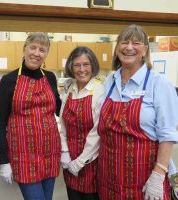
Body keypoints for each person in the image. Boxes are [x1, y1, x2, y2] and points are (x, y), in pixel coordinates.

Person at [97, 24, 178, 200]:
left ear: (145, 50)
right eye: (124, 42)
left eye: (136, 43)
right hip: (108, 174)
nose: (129, 47)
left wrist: (158, 174)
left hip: (144, 176)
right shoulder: (109, 81)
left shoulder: (160, 85)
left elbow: (168, 134)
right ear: (117, 47)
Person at [0, 32, 61, 200]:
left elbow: (59, 109)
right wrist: (4, 161)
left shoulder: (50, 77)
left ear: (46, 54)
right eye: (33, 47)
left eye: (42, 49)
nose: (36, 53)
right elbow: (1, 123)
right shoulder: (9, 80)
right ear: (24, 50)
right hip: (24, 157)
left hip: (50, 153)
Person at [59, 46, 104, 200]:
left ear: (93, 66)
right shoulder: (69, 90)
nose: (81, 69)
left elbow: (97, 132)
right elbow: (62, 125)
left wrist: (80, 162)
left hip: (92, 162)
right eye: (77, 65)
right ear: (71, 67)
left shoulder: (99, 91)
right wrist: (64, 152)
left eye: (86, 64)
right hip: (69, 160)